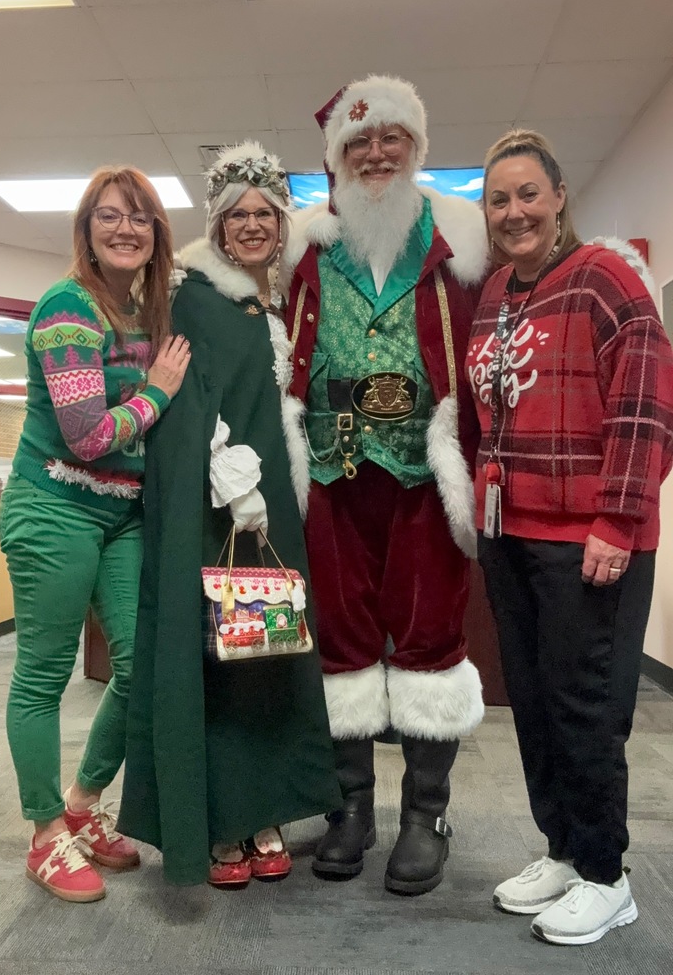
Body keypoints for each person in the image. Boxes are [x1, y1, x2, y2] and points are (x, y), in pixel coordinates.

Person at [281, 75, 488, 895]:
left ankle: (424, 815)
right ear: (335, 160)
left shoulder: (459, 244)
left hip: (422, 477)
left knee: (431, 634)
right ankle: (350, 812)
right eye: (357, 144)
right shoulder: (306, 246)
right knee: (339, 636)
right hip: (333, 474)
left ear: (415, 149)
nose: (375, 154)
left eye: (390, 139)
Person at [467, 129, 673, 945]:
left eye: (527, 194)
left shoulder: (607, 278)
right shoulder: (494, 294)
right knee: (537, 702)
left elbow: (646, 409)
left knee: (588, 708)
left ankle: (606, 874)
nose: (513, 212)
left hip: (591, 537)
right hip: (510, 532)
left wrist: (617, 521)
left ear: (559, 198)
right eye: (498, 200)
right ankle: (562, 848)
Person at [117, 141, 341, 888]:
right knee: (219, 656)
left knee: (269, 654)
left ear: (281, 223)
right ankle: (217, 819)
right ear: (216, 224)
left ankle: (266, 807)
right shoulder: (193, 297)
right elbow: (188, 403)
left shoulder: (271, 300)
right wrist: (234, 484)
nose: (251, 225)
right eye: (236, 214)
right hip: (222, 505)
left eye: (264, 214)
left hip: (275, 506)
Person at [0, 166, 190, 903]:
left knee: (140, 668)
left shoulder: (143, 311)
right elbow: (85, 435)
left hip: (121, 514)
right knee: (44, 675)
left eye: (140, 217)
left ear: (156, 234)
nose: (125, 228)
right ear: (86, 229)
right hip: (53, 507)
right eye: (109, 216)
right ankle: (45, 833)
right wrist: (159, 394)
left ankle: (81, 804)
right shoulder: (66, 308)